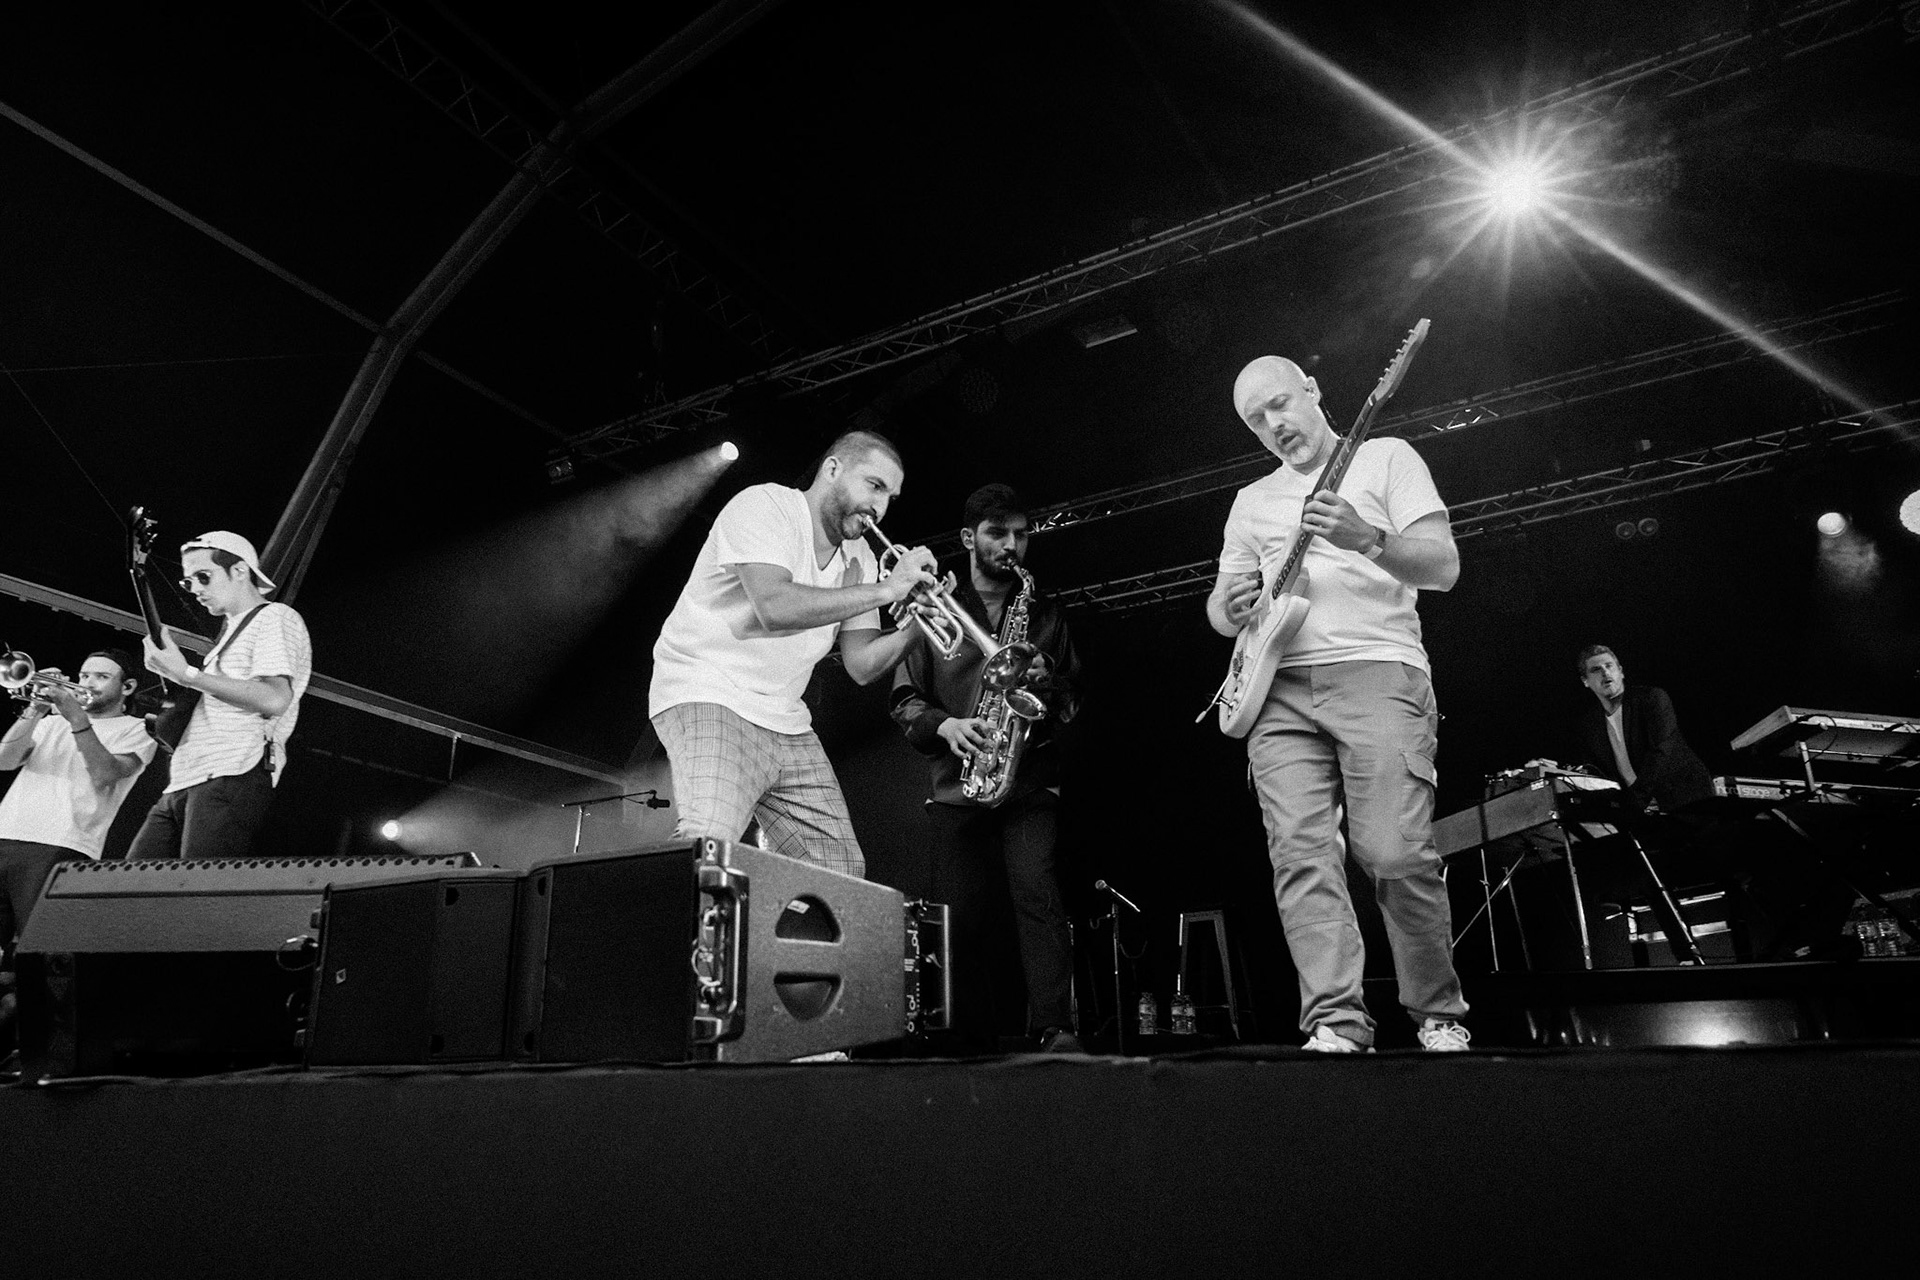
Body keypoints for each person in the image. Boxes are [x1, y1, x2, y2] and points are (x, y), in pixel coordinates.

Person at [1206, 354, 1470, 1053]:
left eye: (1281, 404)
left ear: (1313, 391)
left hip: (1379, 670)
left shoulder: (1387, 457)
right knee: (1300, 856)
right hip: (1279, 691)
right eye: (1256, 421)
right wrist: (1228, 606)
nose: (1275, 425)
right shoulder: (1250, 502)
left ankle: (1438, 1012)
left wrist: (1367, 538)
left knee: (1393, 853)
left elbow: (1442, 567)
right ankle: (1335, 1020)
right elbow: (1222, 610)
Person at [649, 430, 938, 879]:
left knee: (839, 870)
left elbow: (862, 665)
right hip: (707, 689)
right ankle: (656, 945)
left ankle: (776, 949)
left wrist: (917, 626)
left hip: (785, 720)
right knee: (709, 840)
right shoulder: (765, 506)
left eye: (890, 497)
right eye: (874, 486)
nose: (880, 508)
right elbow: (774, 607)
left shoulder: (859, 554)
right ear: (833, 469)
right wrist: (885, 589)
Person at [890, 484, 1084, 1054]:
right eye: (999, 533)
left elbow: (1073, 700)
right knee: (957, 918)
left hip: (1028, 777)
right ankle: (960, 1033)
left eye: (1021, 534)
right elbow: (904, 700)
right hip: (958, 784)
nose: (1013, 545)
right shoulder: (934, 609)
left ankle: (1055, 1026)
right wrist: (945, 727)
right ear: (968, 539)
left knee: (1039, 898)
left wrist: (1043, 675)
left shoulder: (1046, 614)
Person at [129, 531, 313, 861]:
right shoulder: (229, 632)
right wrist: (176, 675)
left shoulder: (275, 616)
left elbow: (274, 698)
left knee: (194, 892)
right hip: (185, 777)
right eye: (188, 583)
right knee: (126, 887)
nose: (196, 589)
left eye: (203, 577)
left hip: (232, 770)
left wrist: (188, 674)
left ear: (240, 571)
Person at [0, 649, 158, 947]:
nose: (88, 683)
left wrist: (75, 717)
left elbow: (104, 774)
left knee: (39, 948)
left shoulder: (137, 729)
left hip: (63, 843)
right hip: (5, 833)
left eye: (102, 676)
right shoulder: (49, 723)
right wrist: (34, 709)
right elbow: (4, 760)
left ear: (128, 687)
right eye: (85, 675)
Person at [1569, 645, 1713, 814]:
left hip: (1686, 799)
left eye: (1609, 666)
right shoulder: (1590, 726)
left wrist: (1636, 799)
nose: (1605, 673)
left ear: (1621, 671)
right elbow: (1597, 772)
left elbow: (1661, 751)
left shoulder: (1651, 698)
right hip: (1641, 809)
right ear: (1585, 681)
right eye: (1596, 669)